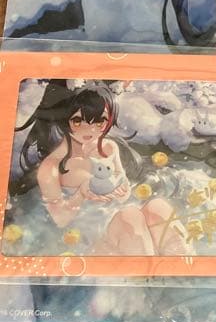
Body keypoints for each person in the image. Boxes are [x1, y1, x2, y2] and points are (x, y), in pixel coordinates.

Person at [12, 81, 189, 256]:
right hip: (87, 234)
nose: (90, 129)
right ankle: (145, 272)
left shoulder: (109, 147)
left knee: (158, 208)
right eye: (78, 121)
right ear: (64, 118)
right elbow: (61, 220)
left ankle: (184, 268)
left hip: (120, 213)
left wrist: (122, 190)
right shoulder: (51, 167)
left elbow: (124, 190)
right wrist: (81, 194)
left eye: (100, 122)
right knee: (129, 219)